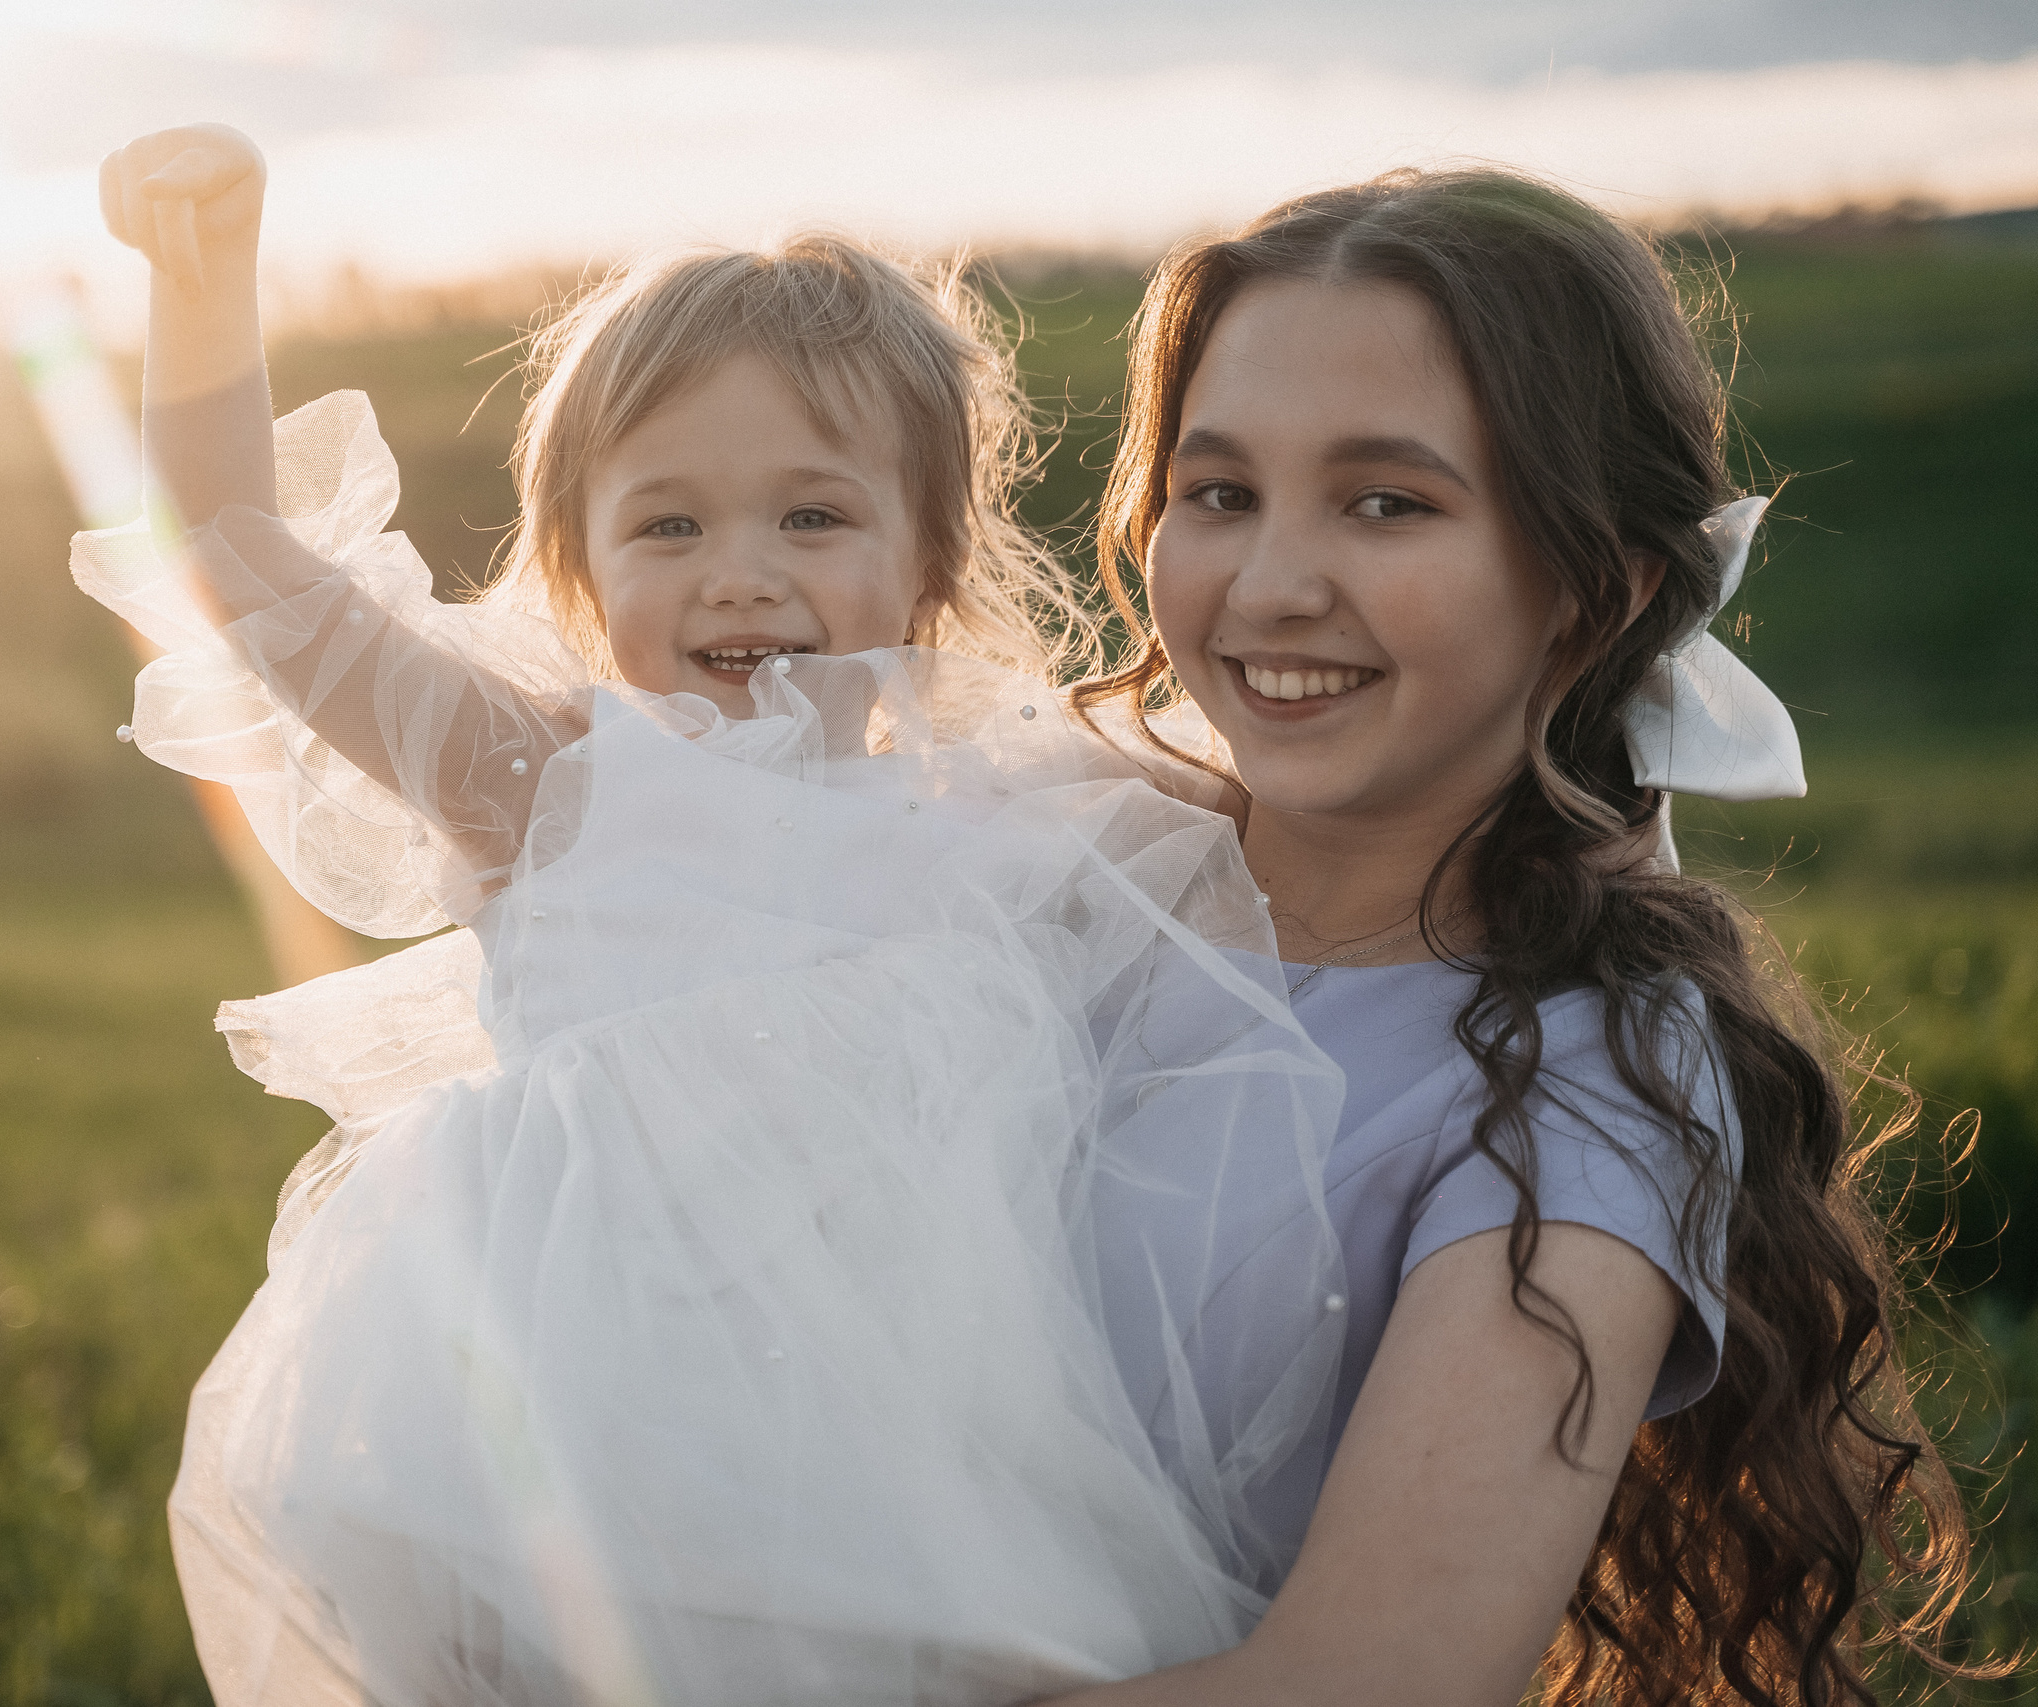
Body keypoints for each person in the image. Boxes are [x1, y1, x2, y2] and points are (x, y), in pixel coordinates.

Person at [78, 125, 1349, 1705]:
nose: (739, 574)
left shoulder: (1020, 815)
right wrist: (201, 287)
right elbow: (242, 565)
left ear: (929, 563)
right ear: (582, 573)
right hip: (581, 1469)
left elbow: (1330, 801)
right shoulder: (550, 785)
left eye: (811, 519)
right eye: (667, 527)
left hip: (925, 1483)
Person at [1055, 168, 1981, 1705]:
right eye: (1219, 493)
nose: (1272, 585)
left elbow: (1366, 1684)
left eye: (1387, 502)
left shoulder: (1587, 1089)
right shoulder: (1049, 871)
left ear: (1591, 594)